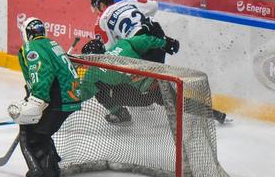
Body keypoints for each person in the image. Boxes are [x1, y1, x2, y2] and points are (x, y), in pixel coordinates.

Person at [7, 17, 81, 177]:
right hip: (67, 99)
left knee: (32, 138)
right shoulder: (51, 44)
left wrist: (37, 101)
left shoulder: (32, 48)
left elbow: (42, 71)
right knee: (41, 134)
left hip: (56, 100)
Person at [80, 37, 229, 124]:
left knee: (99, 88)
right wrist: (165, 42)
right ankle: (216, 114)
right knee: (180, 103)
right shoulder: (121, 44)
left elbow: (81, 94)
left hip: (142, 95)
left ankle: (120, 114)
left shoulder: (93, 72)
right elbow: (146, 39)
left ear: (92, 57)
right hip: (159, 81)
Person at [90, 0, 178, 63]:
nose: (95, 13)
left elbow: (110, 51)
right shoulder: (126, 2)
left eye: (95, 9)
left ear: (102, 6)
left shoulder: (101, 21)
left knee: (148, 79)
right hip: (155, 32)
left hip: (138, 44)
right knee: (160, 75)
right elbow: (154, 5)